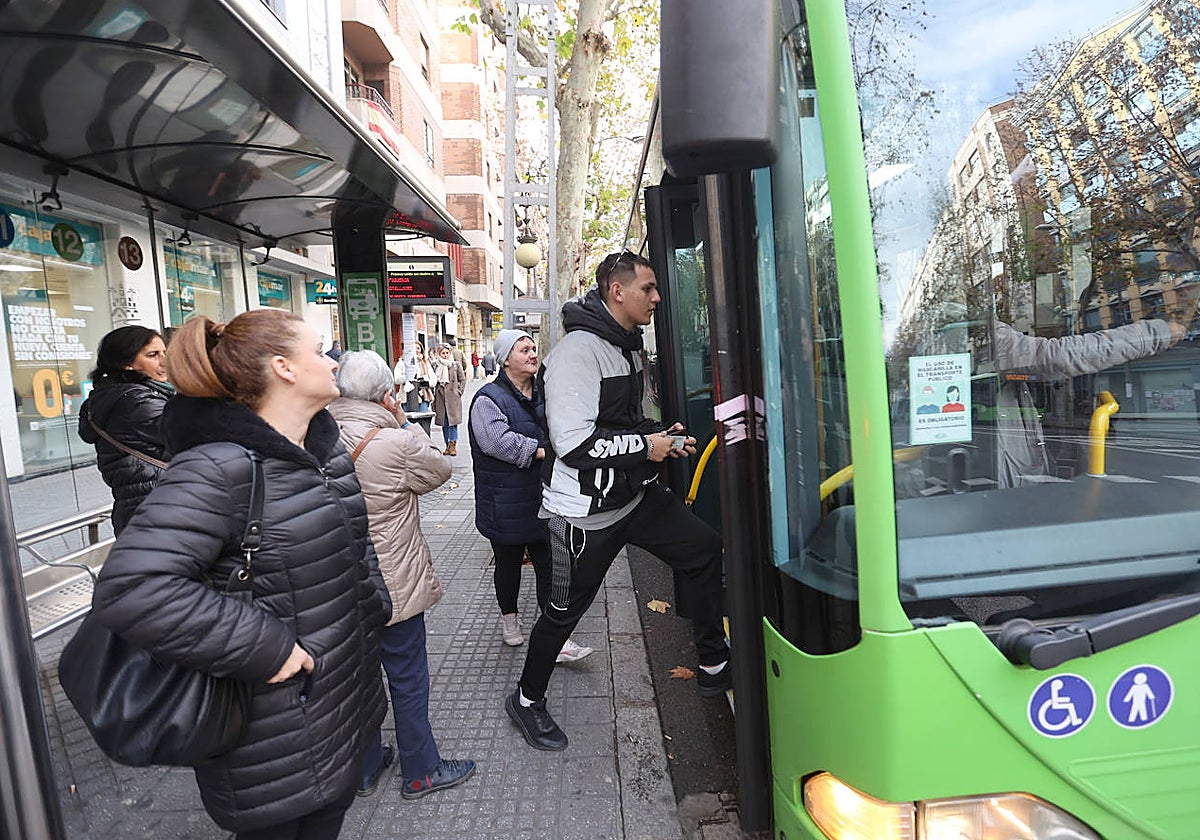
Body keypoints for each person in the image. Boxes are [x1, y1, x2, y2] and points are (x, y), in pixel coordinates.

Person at [88, 310, 391, 839]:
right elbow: (133, 589)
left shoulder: (325, 451)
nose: (331, 361)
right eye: (319, 351)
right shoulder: (220, 467)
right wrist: (267, 648)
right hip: (270, 736)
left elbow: (355, 550)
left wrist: (372, 606)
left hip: (342, 706)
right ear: (284, 369)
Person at [505, 252, 730, 752]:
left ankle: (714, 661)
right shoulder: (577, 354)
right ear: (617, 292)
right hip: (582, 517)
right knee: (562, 613)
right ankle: (525, 701)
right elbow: (575, 444)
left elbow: (621, 426)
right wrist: (647, 447)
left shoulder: (627, 347)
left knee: (702, 548)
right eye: (648, 288)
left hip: (633, 499)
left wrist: (659, 434)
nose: (656, 297)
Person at [328, 350, 477, 800]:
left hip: (335, 580)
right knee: (407, 674)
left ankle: (367, 765)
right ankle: (421, 769)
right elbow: (442, 469)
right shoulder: (395, 442)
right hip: (392, 578)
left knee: (358, 674)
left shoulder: (313, 433)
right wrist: (403, 420)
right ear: (386, 393)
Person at [468, 329, 592, 663]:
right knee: (508, 566)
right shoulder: (487, 399)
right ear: (506, 359)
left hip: (543, 498)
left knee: (549, 567)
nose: (532, 354)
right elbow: (496, 442)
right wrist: (540, 451)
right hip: (503, 502)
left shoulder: (545, 392)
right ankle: (509, 619)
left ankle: (556, 637)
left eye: (533, 348)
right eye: (524, 350)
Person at [77, 326, 172, 535]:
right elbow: (197, 434)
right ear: (126, 364)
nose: (164, 361)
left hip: (141, 510)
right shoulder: (138, 402)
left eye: (165, 353)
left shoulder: (108, 397)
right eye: (153, 355)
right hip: (160, 511)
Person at [432, 343, 465, 456]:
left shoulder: (455, 365)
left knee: (453, 422)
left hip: (453, 398)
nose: (445, 355)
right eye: (443, 353)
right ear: (439, 354)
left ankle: (453, 445)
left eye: (447, 353)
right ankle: (447, 445)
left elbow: (462, 379)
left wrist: (459, 391)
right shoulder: (435, 365)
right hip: (440, 398)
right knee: (444, 423)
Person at [411, 341, 436, 412]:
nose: (416, 350)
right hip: (408, 395)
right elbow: (397, 378)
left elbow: (434, 379)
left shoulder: (425, 363)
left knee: (423, 419)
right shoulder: (403, 362)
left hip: (423, 394)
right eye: (414, 348)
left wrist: (426, 381)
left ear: (421, 350)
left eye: (418, 348)